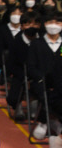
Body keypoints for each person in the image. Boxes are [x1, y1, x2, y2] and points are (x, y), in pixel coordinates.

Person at [27, 12, 62, 140]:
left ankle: (55, 120)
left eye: (57, 23)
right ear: (45, 24)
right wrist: (42, 78)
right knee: (47, 95)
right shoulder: (37, 44)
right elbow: (31, 67)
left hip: (60, 82)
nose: (54, 26)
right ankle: (43, 121)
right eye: (50, 22)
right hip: (41, 81)